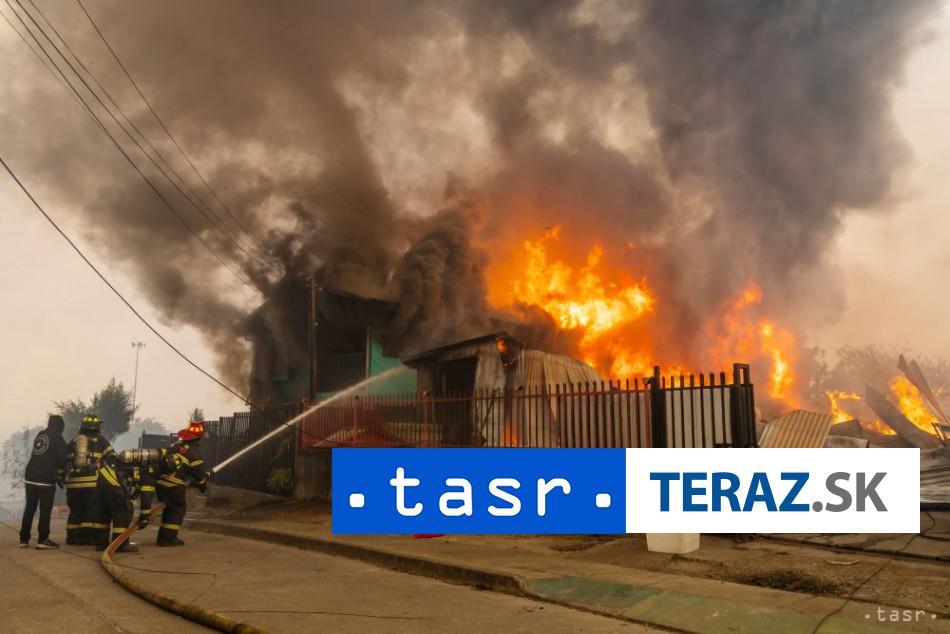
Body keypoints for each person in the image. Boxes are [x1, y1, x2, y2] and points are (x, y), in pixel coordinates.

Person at [19, 415, 68, 549]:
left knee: (30, 508)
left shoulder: (41, 435)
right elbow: (63, 460)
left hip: (30, 476)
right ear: (60, 426)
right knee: (45, 510)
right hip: (45, 479)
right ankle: (42, 540)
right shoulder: (57, 437)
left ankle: (23, 539)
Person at [155, 421, 208, 546]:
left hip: (160, 483)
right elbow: (200, 476)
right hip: (174, 485)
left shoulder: (176, 445)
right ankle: (168, 539)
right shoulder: (195, 454)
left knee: (169, 509)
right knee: (178, 509)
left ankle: (163, 537)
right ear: (199, 438)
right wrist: (203, 485)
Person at [64, 414, 113, 545]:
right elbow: (112, 458)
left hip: (73, 484)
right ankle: (86, 537)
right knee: (90, 510)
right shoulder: (102, 441)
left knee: (75, 510)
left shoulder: (74, 441)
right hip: (91, 483)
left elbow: (65, 460)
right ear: (97, 427)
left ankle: (71, 537)